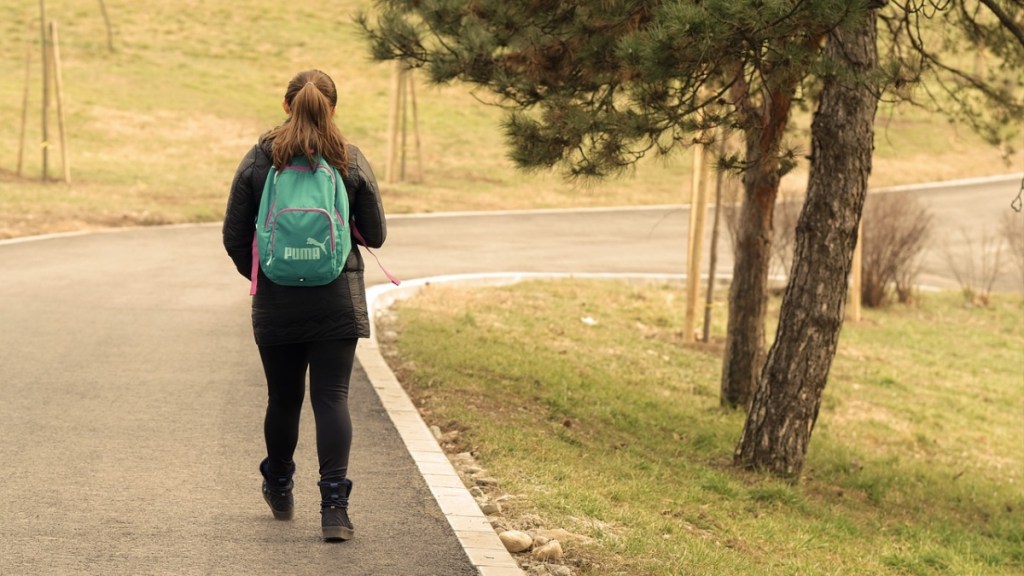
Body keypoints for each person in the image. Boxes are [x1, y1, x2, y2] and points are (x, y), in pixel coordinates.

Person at [222, 69, 387, 542]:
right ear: (332, 108)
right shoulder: (348, 159)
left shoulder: (261, 158)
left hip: (277, 300)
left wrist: (267, 273)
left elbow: (234, 235)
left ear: (285, 104)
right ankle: (335, 508)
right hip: (336, 296)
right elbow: (375, 235)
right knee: (331, 397)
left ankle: (278, 483)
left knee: (284, 397)